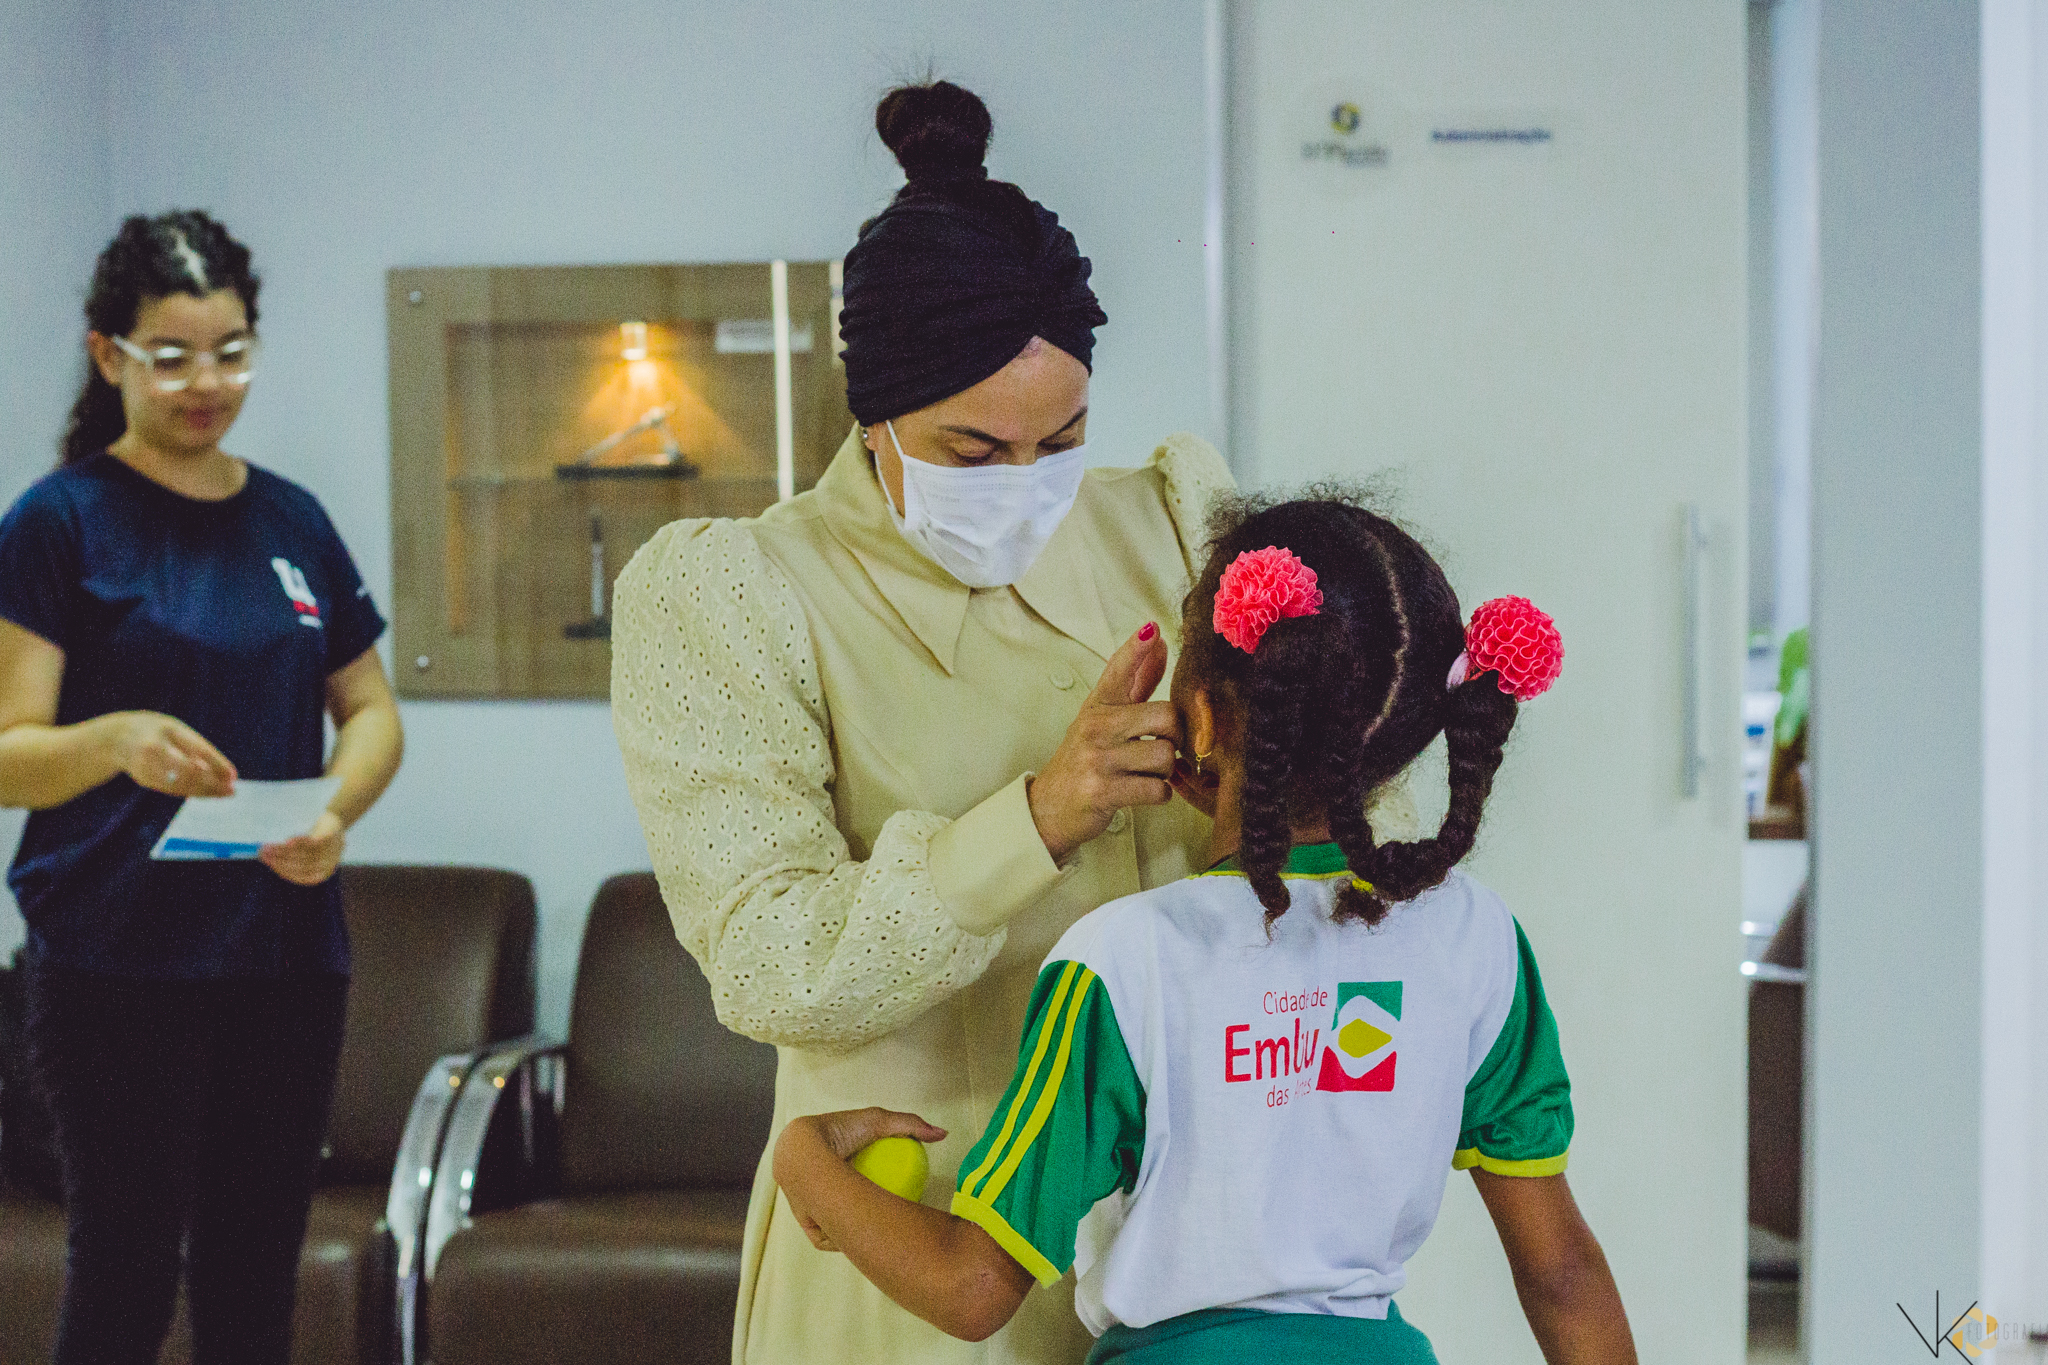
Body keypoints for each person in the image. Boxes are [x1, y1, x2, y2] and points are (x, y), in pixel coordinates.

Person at [614, 80, 1414, 1362]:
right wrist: (1035, 820)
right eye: (972, 451)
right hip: (920, 1242)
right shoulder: (736, 592)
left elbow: (1345, 802)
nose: (1026, 484)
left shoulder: (1170, 519)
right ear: (872, 414)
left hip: (1194, 1242)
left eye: (1062, 438)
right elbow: (768, 968)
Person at [770, 491, 1639, 1365]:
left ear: (1207, 718)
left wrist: (803, 1161)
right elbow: (1562, 1271)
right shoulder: (1476, 938)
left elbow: (972, 1288)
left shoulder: (1121, 963)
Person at [0, 210, 403, 1365]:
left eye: (230, 353)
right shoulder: (58, 522)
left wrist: (333, 810)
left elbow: (371, 712)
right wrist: (115, 739)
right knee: (125, 1276)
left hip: (283, 956)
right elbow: (8, 748)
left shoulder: (292, 519)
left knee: (253, 1282)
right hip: (116, 961)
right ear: (109, 356)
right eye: (171, 358)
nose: (206, 383)